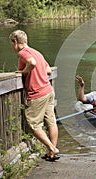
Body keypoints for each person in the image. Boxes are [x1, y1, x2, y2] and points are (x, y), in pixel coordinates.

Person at [9, 30, 59, 161]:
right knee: (51, 122)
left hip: (37, 93)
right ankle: (52, 153)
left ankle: (52, 148)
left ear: (15, 42)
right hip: (48, 90)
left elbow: (32, 63)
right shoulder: (37, 52)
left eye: (11, 43)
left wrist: (23, 72)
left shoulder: (23, 52)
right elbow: (48, 70)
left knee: (34, 125)